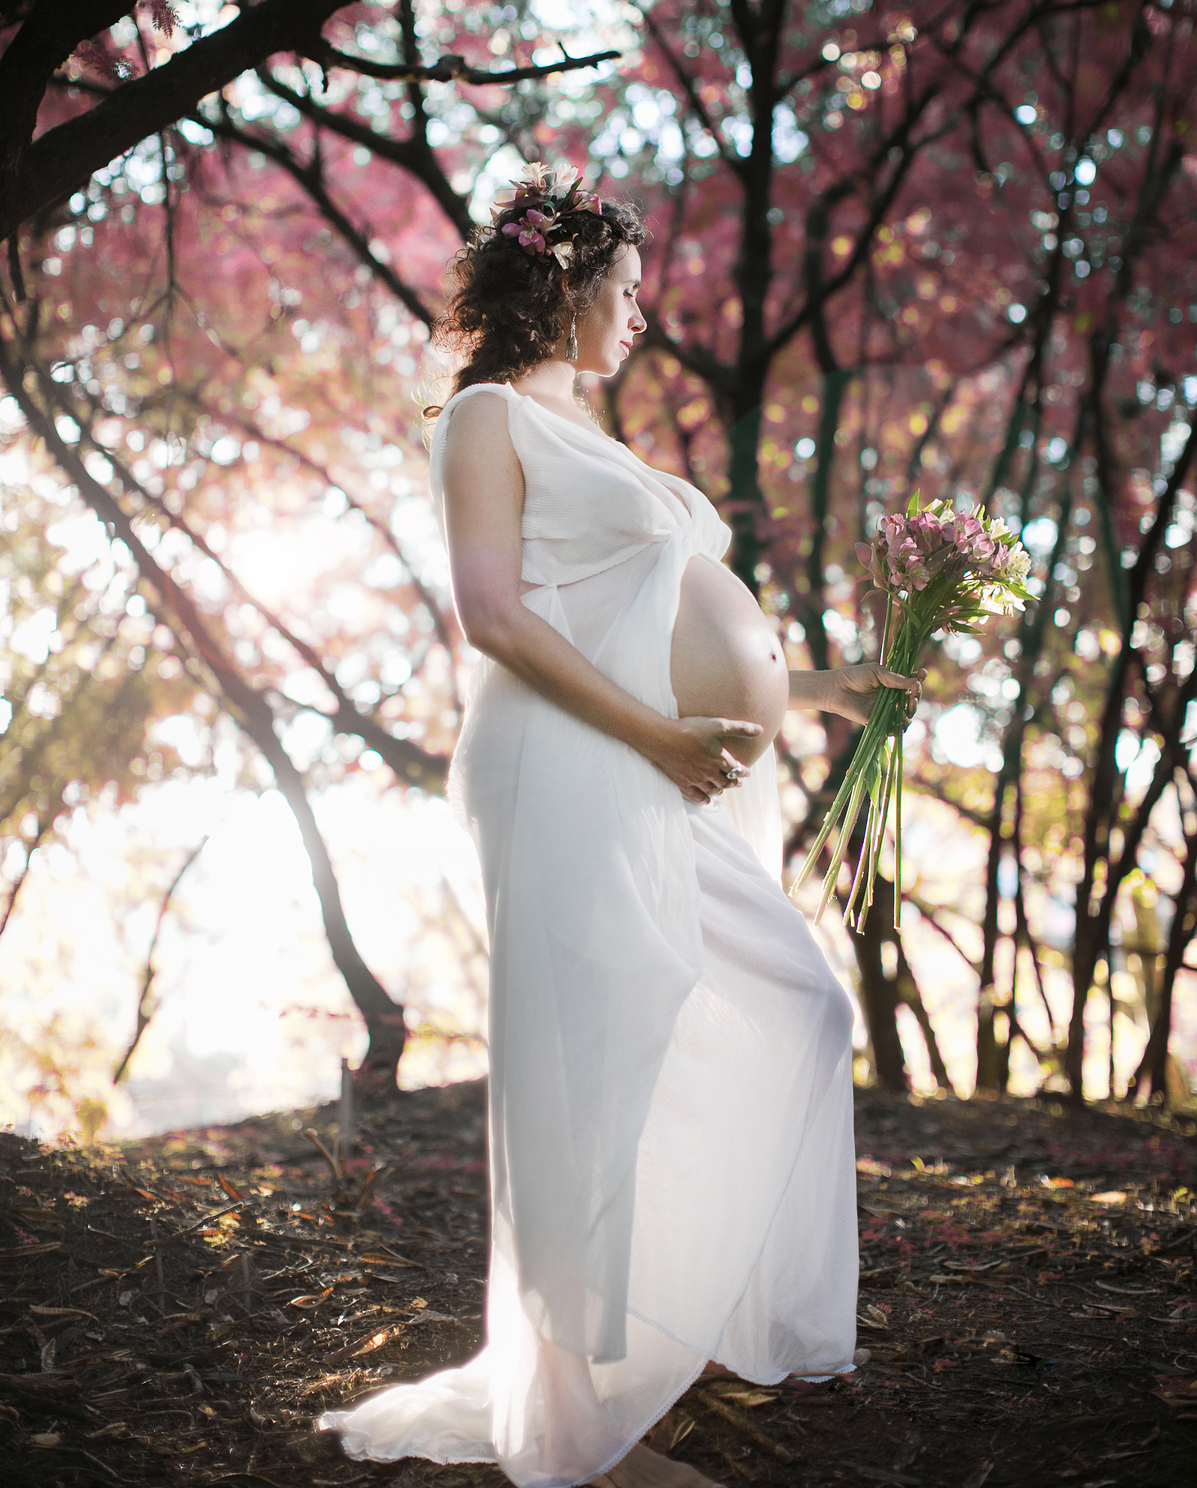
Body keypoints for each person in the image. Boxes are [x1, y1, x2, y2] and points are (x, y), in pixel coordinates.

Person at [320, 165, 923, 1488]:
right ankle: (573, 1412)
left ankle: (654, 1330)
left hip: (652, 764)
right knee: (598, 1059)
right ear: (576, 283)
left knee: (799, 1008)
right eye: (633, 293)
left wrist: (814, 687)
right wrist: (655, 735)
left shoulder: (588, 432)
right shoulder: (480, 418)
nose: (643, 318)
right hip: (571, 764)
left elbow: (653, 611)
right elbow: (497, 615)